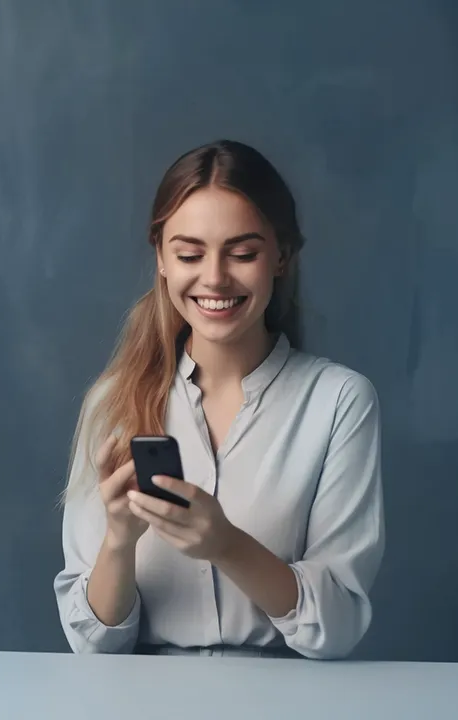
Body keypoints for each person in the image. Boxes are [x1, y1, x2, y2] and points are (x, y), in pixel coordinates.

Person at [53, 140, 385, 660]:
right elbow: (91, 643)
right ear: (161, 258)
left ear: (282, 257)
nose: (214, 278)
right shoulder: (112, 402)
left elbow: (336, 626)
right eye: (189, 254)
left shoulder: (339, 401)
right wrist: (119, 539)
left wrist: (226, 544)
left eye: (243, 253)